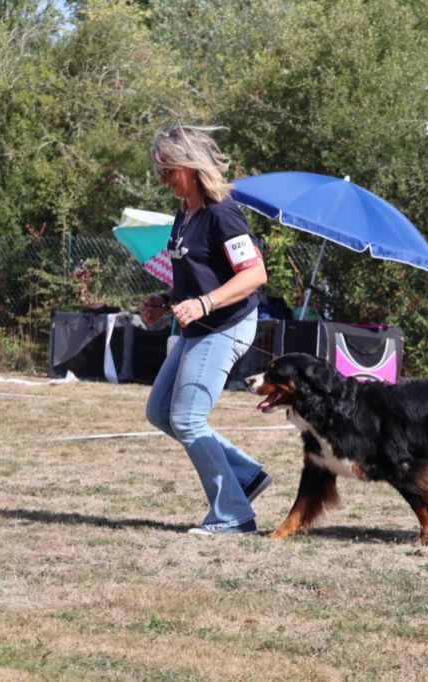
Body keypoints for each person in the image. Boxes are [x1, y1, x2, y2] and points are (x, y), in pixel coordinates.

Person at [142, 124, 271, 535]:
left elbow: (254, 275)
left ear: (191, 166)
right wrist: (166, 300)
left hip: (226, 325)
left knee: (188, 418)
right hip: (198, 325)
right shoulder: (186, 212)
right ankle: (246, 476)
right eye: (160, 172)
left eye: (168, 171)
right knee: (161, 411)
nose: (164, 180)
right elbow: (200, 271)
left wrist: (204, 303)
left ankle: (233, 515)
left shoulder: (222, 211)